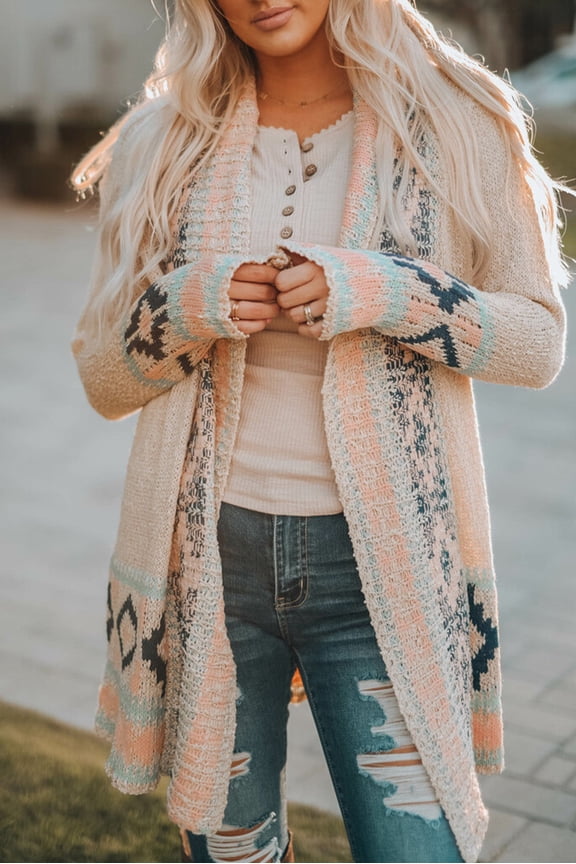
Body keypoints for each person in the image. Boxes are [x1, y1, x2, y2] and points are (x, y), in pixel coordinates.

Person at [71, 1, 569, 861]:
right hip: (207, 567)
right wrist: (185, 309)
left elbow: (537, 344)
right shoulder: (166, 139)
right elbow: (102, 379)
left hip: (381, 572)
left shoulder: (456, 119)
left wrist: (388, 292)